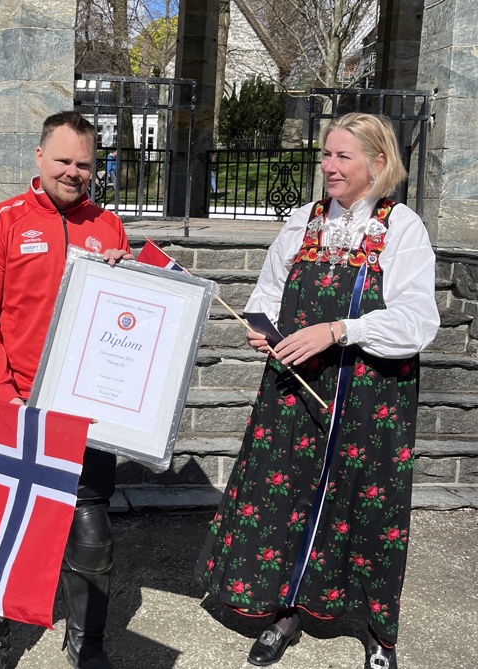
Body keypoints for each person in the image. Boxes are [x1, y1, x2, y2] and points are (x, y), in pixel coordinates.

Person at [195, 113, 439, 669]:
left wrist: (338, 331)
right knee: (290, 501)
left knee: (365, 505)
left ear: (378, 162)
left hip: (370, 396)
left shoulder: (400, 229)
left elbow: (417, 321)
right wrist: (263, 330)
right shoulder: (303, 222)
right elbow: (268, 291)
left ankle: (378, 630)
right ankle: (286, 611)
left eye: (342, 156)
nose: (328, 166)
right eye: (326, 155)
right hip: (296, 389)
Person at [0, 110, 132, 669]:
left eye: (84, 164)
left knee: (91, 527)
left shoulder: (108, 227)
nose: (74, 172)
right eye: (63, 160)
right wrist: (2, 390)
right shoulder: (1, 222)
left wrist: (128, 274)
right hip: (16, 402)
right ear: (39, 158)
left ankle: (87, 642)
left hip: (85, 410)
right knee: (3, 526)